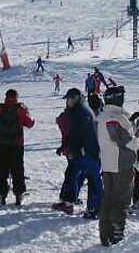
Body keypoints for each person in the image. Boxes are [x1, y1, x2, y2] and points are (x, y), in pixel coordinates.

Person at [97, 86, 139, 246]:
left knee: (108, 198)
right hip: (121, 164)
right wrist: (138, 141)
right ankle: (116, 233)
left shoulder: (102, 116)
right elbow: (126, 141)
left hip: (107, 163)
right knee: (121, 200)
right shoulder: (115, 117)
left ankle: (105, 233)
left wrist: (131, 124)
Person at [52, 88, 103, 218]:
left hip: (87, 152)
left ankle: (94, 210)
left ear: (75, 98)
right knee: (72, 174)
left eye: (69, 99)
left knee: (92, 179)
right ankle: (68, 203)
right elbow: (73, 134)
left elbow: (78, 135)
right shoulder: (79, 110)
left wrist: (74, 151)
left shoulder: (80, 112)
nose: (67, 102)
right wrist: (64, 147)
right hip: (86, 151)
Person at [0, 89, 35, 206]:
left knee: (1, 170)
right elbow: (29, 123)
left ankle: (1, 195)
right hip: (17, 145)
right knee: (18, 170)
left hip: (1, 145)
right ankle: (19, 195)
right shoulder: (20, 108)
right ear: (16, 97)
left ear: (5, 97)